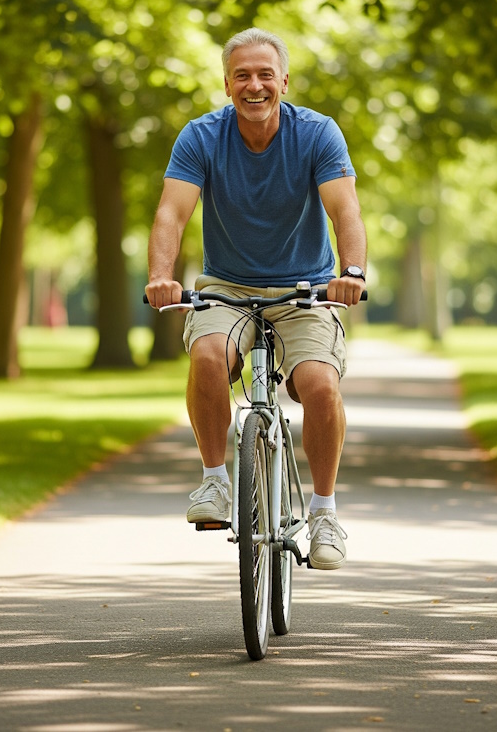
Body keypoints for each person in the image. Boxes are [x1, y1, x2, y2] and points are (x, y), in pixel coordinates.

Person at [144, 28, 367, 570]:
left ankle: (324, 512)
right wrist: (161, 275)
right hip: (227, 287)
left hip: (306, 289)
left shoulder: (317, 134)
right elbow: (172, 212)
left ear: (283, 81)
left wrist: (352, 272)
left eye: (265, 74)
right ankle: (215, 482)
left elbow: (345, 212)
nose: (254, 84)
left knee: (317, 384)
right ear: (227, 84)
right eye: (242, 75)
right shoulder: (200, 137)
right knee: (206, 355)